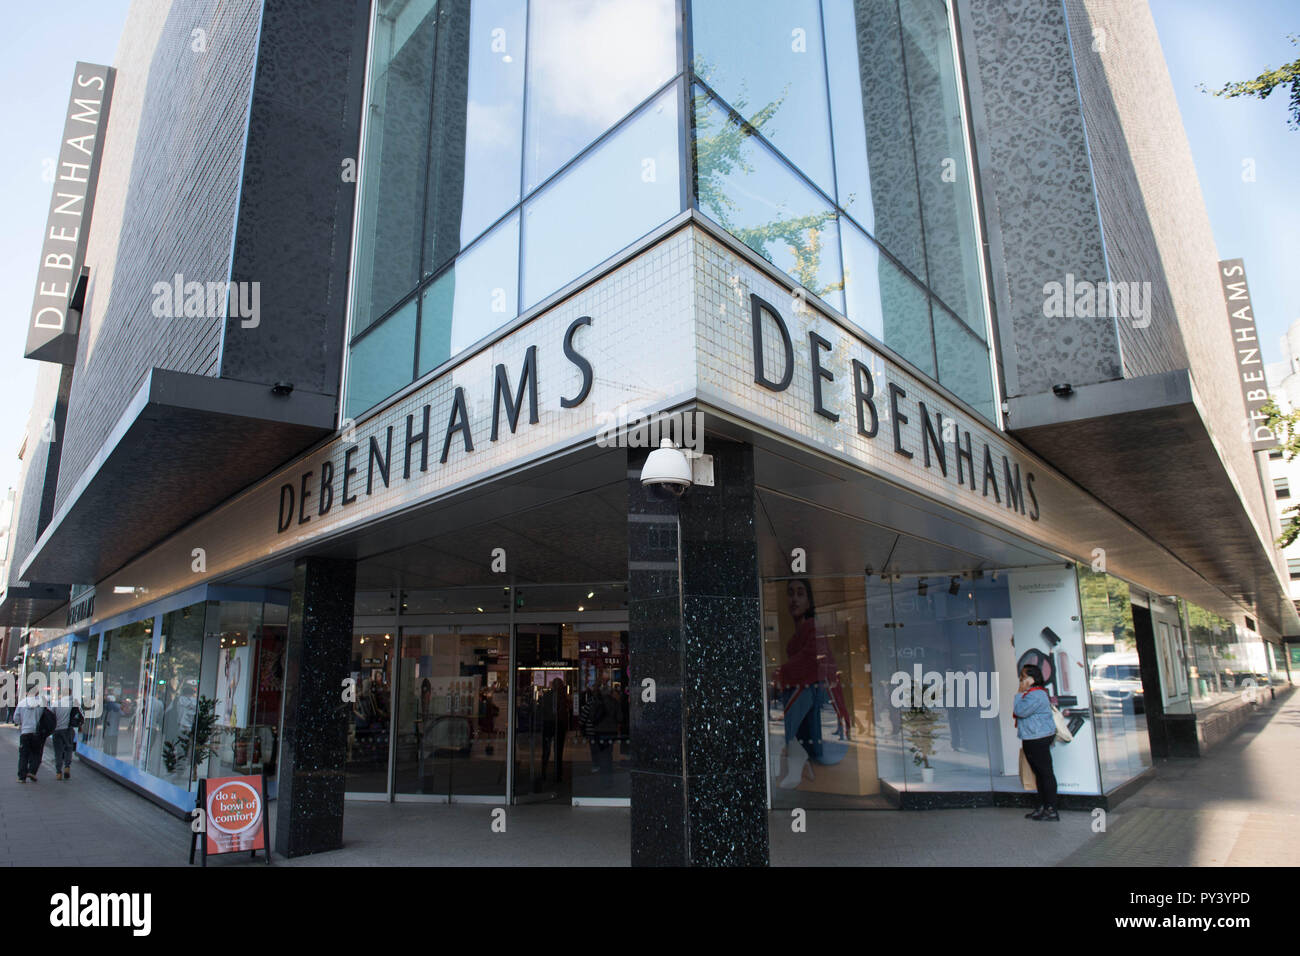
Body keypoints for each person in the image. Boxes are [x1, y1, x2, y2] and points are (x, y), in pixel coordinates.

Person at [1013, 663, 1059, 821]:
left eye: (1024, 677)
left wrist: (1019, 693)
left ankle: (1051, 809)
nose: (1021, 680)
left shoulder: (1036, 694)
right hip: (1033, 737)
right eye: (1021, 677)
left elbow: (1020, 711)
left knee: (1045, 773)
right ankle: (1043, 807)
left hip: (1038, 737)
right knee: (1039, 774)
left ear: (1034, 678)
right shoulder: (1034, 693)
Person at [14, 687, 48, 782]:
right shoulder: (41, 704)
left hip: (25, 733)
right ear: (37, 693)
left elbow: (16, 718)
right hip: (36, 733)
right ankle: (32, 772)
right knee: (36, 753)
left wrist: (22, 722)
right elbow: (45, 717)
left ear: (27, 692)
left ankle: (22, 777)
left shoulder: (22, 703)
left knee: (23, 755)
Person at [51, 691, 76, 780]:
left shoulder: (56, 703)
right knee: (68, 749)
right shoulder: (73, 703)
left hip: (57, 730)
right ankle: (67, 766)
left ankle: (58, 772)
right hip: (68, 730)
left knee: (58, 751)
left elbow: (51, 715)